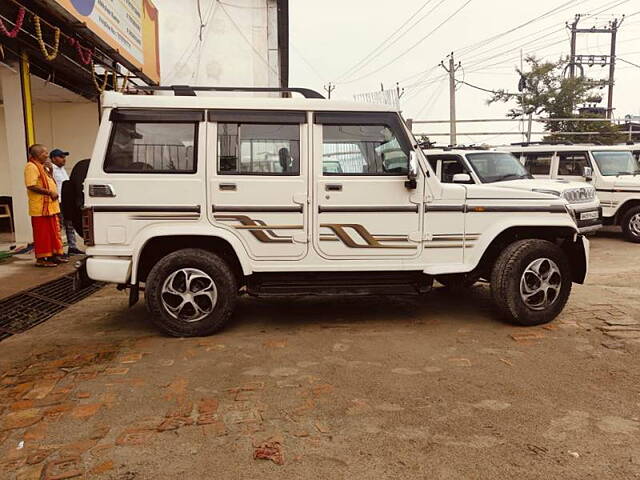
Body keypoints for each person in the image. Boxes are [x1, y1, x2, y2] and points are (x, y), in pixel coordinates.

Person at [24, 144, 67, 267]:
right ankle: (42, 259)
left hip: (50, 207)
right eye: (45, 153)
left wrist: (51, 171)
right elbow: (31, 185)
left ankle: (54, 256)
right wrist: (49, 192)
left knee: (54, 233)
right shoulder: (31, 167)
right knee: (43, 235)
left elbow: (49, 182)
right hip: (40, 208)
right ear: (37, 154)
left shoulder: (43, 167)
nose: (47, 155)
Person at [50, 149, 83, 255]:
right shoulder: (51, 170)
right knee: (58, 226)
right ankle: (58, 249)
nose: (64, 160)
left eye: (64, 157)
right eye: (61, 157)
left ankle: (72, 247)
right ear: (53, 158)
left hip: (67, 202)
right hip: (58, 201)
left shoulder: (62, 169)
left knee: (70, 224)